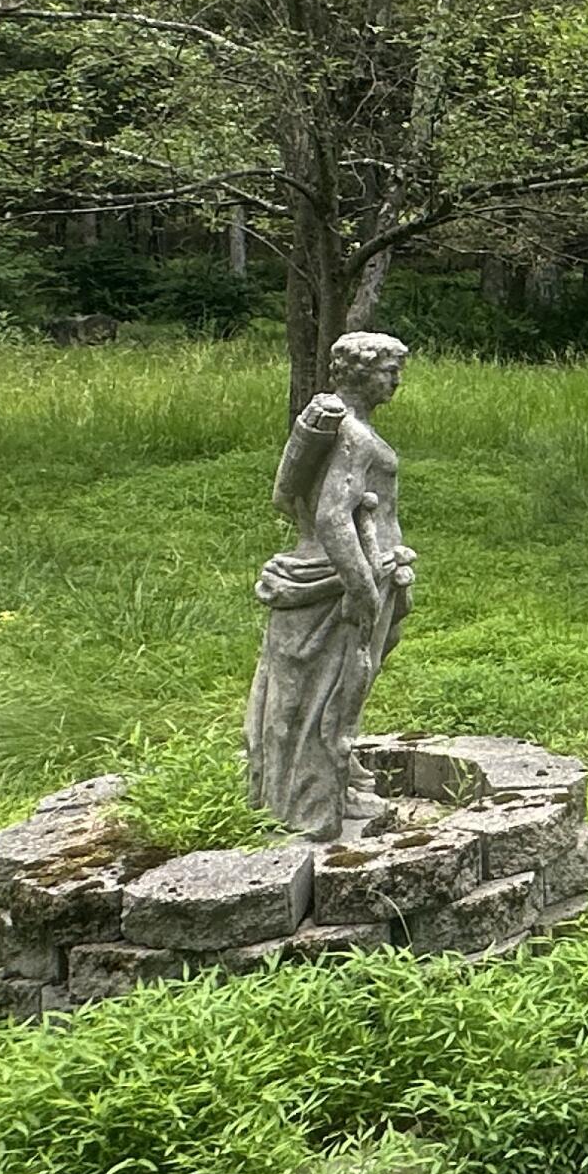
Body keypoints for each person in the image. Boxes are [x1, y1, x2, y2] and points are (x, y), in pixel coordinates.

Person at [246, 331, 416, 839]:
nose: (396, 380)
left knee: (345, 686)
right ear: (362, 373)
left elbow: (283, 497)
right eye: (389, 370)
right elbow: (333, 517)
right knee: (333, 689)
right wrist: (361, 587)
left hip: (369, 571)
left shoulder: (345, 428)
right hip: (342, 580)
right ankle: (310, 805)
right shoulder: (353, 435)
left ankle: (338, 783)